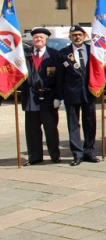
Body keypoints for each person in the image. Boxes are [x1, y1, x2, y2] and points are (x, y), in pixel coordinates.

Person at [56, 25, 99, 166]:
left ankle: (89, 151)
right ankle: (77, 154)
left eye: (80, 34)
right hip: (71, 94)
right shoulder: (63, 53)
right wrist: (59, 96)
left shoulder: (93, 51)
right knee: (73, 125)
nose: (77, 37)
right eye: (74, 35)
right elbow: (59, 78)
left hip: (89, 93)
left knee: (90, 124)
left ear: (84, 36)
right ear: (70, 37)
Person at [21, 27, 61, 165]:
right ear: (33, 39)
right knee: (32, 130)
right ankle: (35, 157)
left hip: (49, 97)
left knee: (51, 129)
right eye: (36, 37)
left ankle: (55, 155)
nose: (38, 39)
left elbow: (59, 79)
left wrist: (58, 97)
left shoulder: (55, 55)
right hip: (31, 98)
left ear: (46, 40)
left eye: (41, 37)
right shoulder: (25, 55)